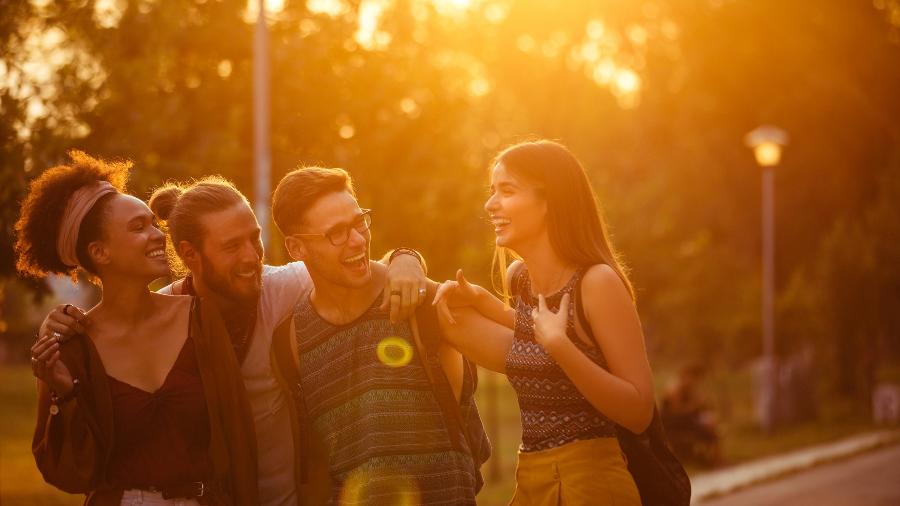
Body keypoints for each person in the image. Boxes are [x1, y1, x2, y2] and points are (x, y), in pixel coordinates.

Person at [40, 175, 428, 506]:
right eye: (231, 247)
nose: (251, 257)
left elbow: (354, 267)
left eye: (254, 239)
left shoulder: (280, 286)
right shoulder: (176, 312)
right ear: (191, 255)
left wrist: (406, 260)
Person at [17, 151, 257, 505]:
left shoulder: (200, 318)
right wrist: (64, 392)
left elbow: (239, 440)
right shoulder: (71, 346)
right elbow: (68, 473)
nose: (159, 235)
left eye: (153, 224)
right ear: (100, 253)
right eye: (137, 228)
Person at [434, 140, 655, 506]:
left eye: (507, 191)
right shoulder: (520, 279)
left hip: (593, 484)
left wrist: (562, 348)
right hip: (531, 480)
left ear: (550, 201)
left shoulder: (597, 283)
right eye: (492, 192)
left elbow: (639, 412)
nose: (491, 205)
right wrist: (484, 302)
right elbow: (535, 336)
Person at [270, 166, 489, 505]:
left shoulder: (418, 299)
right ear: (296, 248)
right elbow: (315, 465)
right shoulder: (290, 342)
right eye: (337, 233)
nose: (358, 239)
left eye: (360, 222)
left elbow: (521, 354)